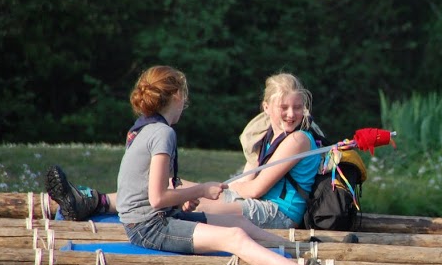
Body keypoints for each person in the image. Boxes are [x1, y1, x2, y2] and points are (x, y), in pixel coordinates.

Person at [111, 65, 350, 265]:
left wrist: (187, 196)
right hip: (149, 225)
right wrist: (201, 190)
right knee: (235, 236)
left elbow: (158, 192)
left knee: (239, 223)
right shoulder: (163, 133)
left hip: (151, 218)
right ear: (178, 97)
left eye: (297, 107)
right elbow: (157, 199)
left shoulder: (145, 127)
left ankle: (300, 256)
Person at [46, 73, 323, 231]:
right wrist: (213, 188)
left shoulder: (298, 139)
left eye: (297, 108)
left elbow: (256, 188)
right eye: (284, 107)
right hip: (255, 200)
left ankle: (95, 202)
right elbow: (249, 181)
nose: (291, 114)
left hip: (278, 213)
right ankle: (95, 200)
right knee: (174, 185)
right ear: (266, 107)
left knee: (195, 200)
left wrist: (214, 190)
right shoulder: (268, 134)